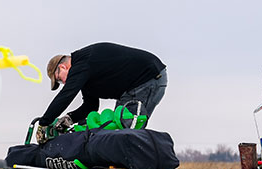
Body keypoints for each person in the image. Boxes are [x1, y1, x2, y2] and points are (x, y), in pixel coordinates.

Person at [37, 42, 167, 143]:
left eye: (59, 80)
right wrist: (70, 118)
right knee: (118, 131)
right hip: (136, 86)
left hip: (147, 79)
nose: (64, 83)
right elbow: (91, 106)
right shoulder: (85, 73)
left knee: (125, 130)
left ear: (62, 67)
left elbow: (67, 94)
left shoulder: (82, 63)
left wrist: (44, 123)